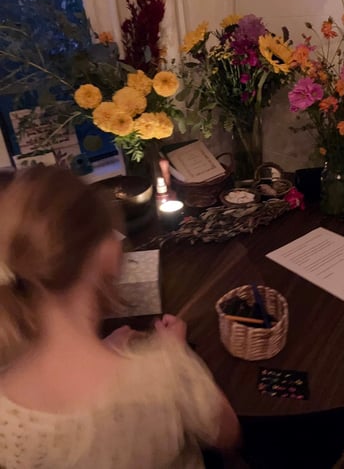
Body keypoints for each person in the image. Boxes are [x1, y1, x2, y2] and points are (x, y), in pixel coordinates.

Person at [0, 165, 240, 468]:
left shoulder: (6, 414)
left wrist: (107, 348)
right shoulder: (165, 373)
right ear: (109, 254)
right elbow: (227, 434)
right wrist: (175, 353)